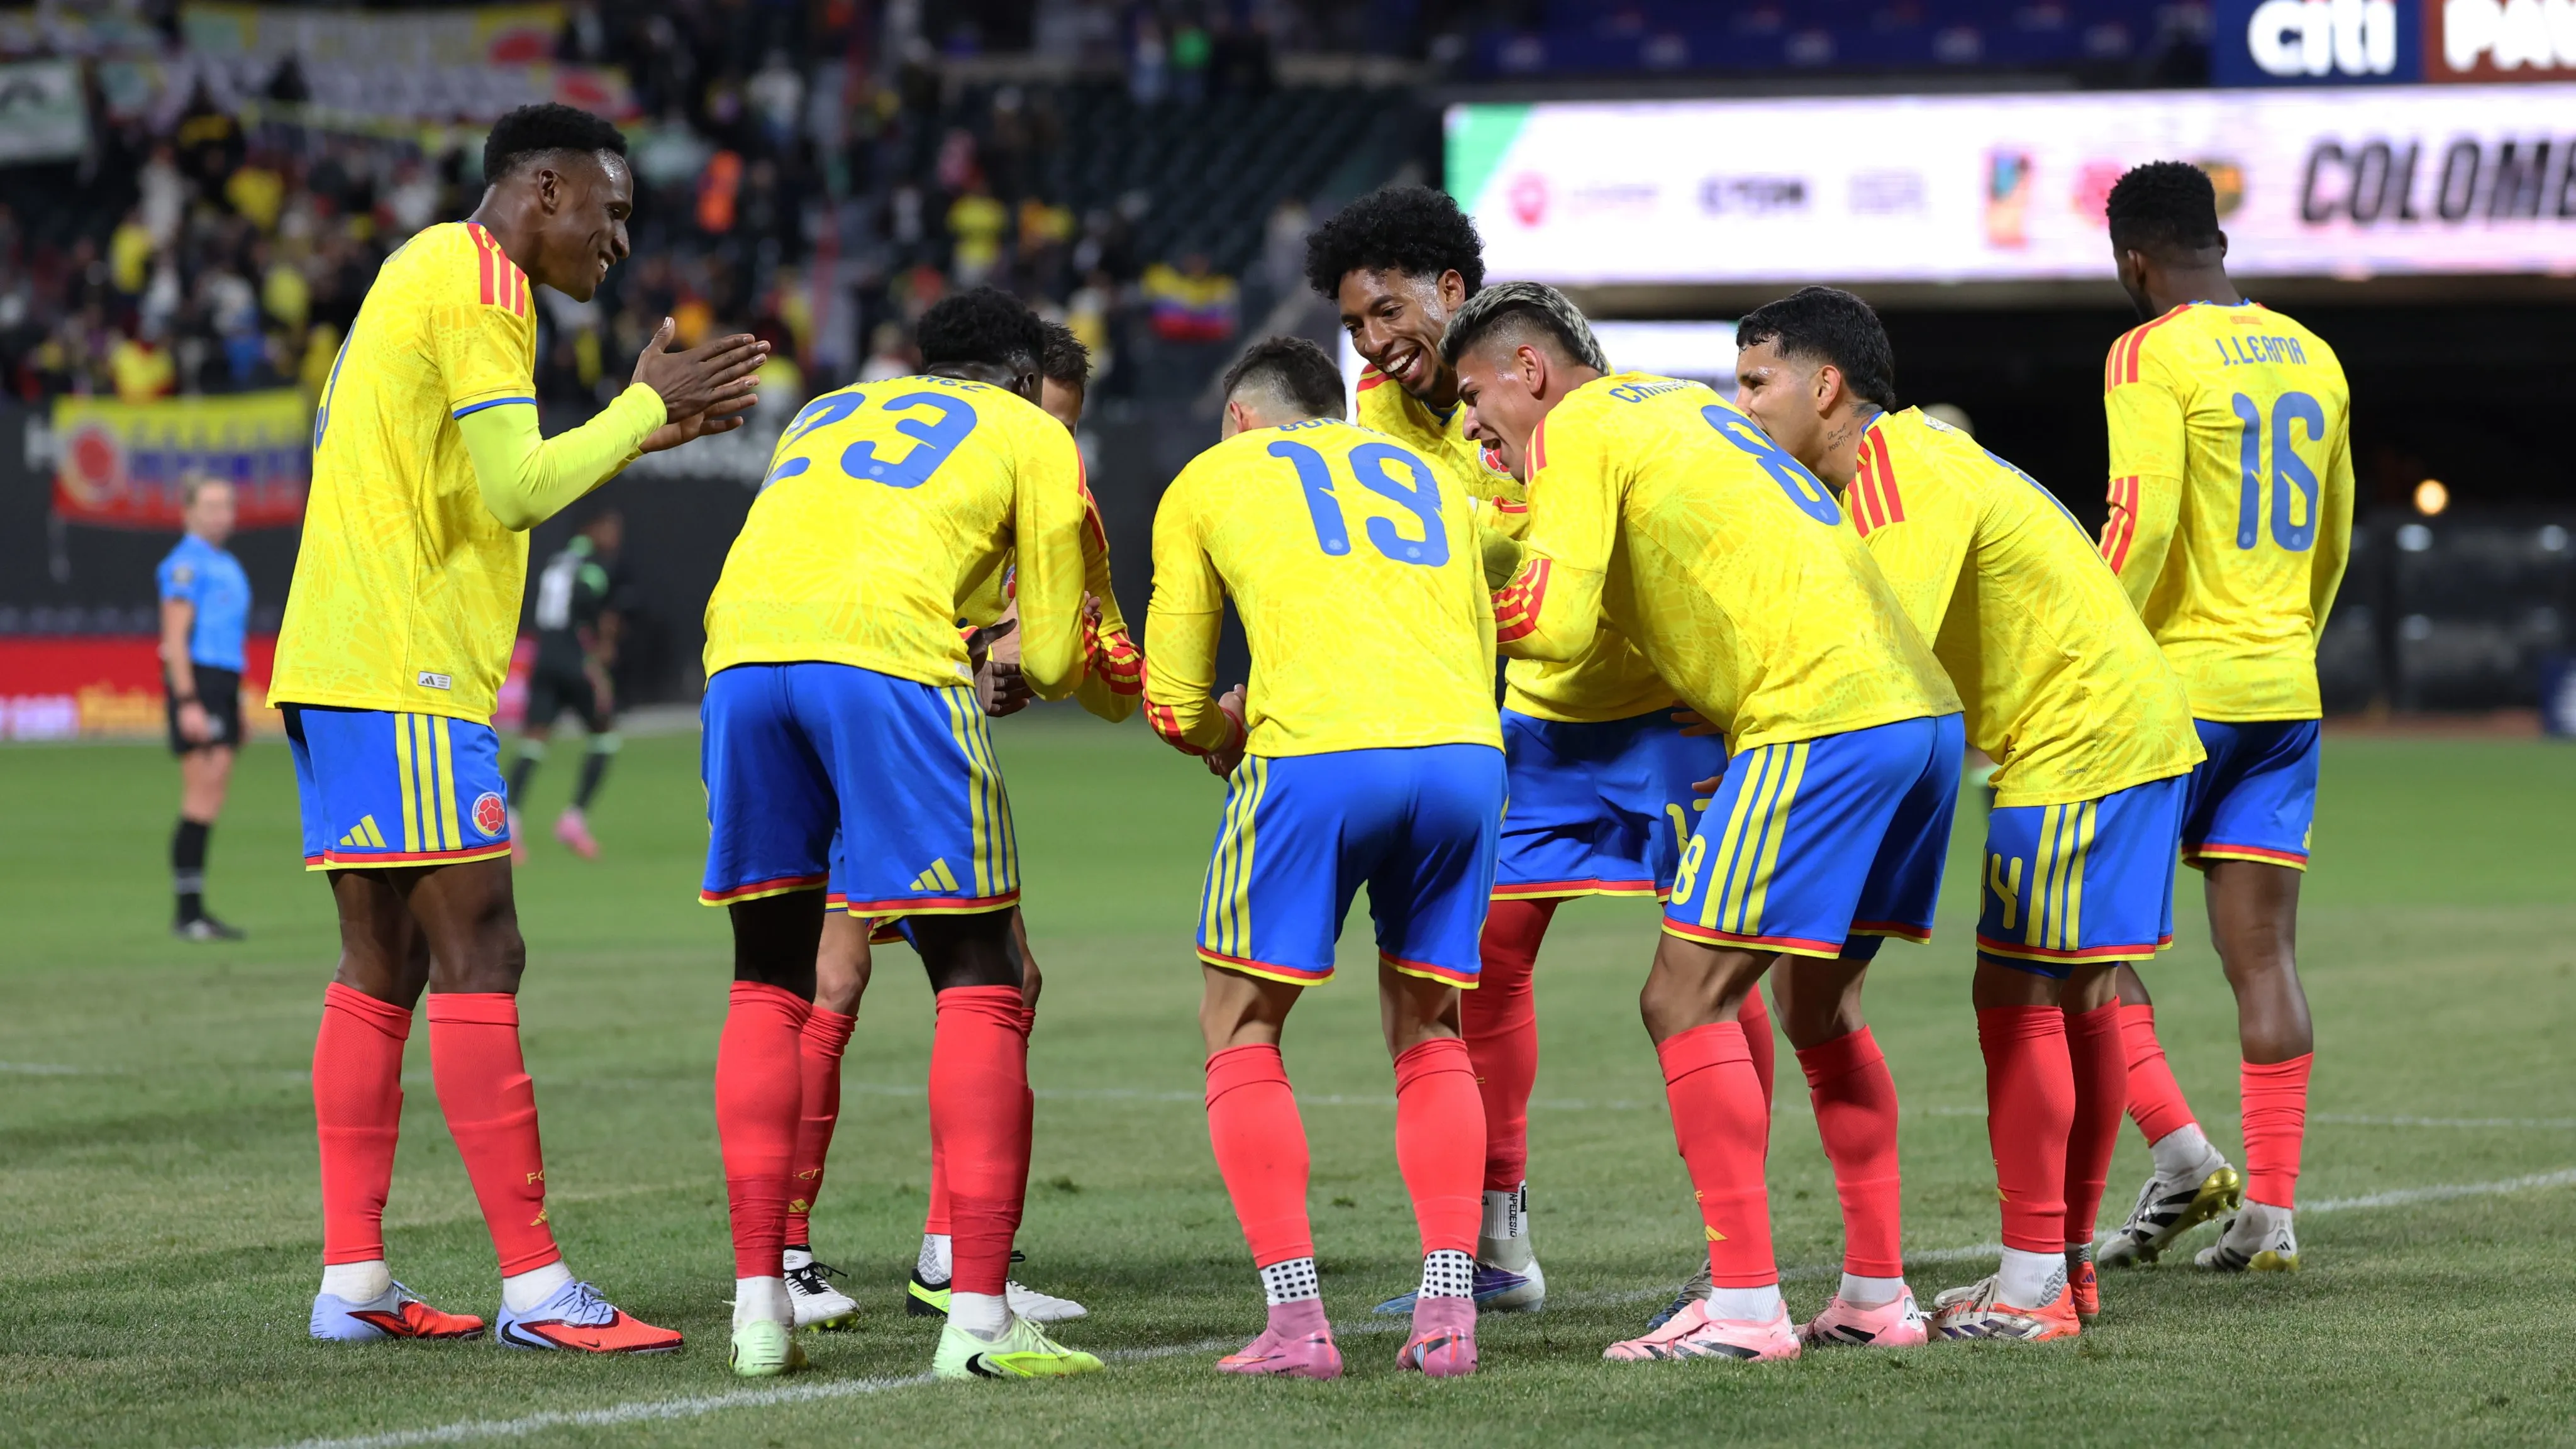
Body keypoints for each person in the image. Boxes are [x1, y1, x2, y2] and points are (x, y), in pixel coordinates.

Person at [270, 102, 767, 1352]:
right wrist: (643, 409)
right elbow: (515, 487)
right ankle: (539, 1290)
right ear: (543, 190)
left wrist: (642, 427)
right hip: (406, 672)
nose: (617, 240)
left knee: (381, 963)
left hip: (338, 661)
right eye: (610, 210)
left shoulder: (427, 268)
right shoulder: (485, 282)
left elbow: (494, 484)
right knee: (481, 947)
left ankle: (355, 1281)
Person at [1446, 283, 1964, 1365]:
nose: (1472, 421)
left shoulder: (1580, 425)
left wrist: (1417, 604)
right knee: (1819, 1007)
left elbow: (1553, 616)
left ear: (1528, 370)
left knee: (1681, 992)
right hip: (1919, 713)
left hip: (1816, 714)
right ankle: (1874, 1292)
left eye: (1474, 394)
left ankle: (1742, 1303)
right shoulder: (1685, 410)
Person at [1304, 183, 1773, 1318]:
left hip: (1668, 711)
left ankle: (1739, 1248)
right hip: (1544, 717)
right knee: (1480, 956)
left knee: (1716, 966)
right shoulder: (1381, 406)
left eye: (1386, 312)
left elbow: (1527, 545)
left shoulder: (1544, 376)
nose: (1375, 341)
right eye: (1358, 323)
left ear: (1448, 292)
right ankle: (1499, 1236)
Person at [1733, 286, 2204, 1341]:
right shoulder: (1913, 466)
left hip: (2078, 739)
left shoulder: (1897, 469)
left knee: (2019, 990)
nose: (1741, 404)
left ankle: (2036, 1283)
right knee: (2073, 999)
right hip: (2111, 730)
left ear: (1825, 385)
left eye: (1757, 380)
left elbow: (1874, 653)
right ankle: (2057, 1274)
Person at [697, 286, 1102, 1382]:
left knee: (767, 978)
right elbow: (1059, 657)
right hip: (884, 659)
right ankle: (974, 1313)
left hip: (740, 662)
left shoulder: (826, 410)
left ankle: (759, 1305)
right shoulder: (1032, 433)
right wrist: (1013, 651)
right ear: (1024, 381)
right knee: (984, 971)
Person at [1145, 335, 1504, 1380]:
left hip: (1317, 757)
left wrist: (1224, 733)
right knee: (1431, 1022)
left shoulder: (1215, 474)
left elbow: (1172, 702)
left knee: (1241, 1020)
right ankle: (1448, 1307)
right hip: (1464, 755)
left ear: (1244, 418)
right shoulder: (1431, 476)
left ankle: (1297, 1320)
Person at [780, 319, 1129, 1335]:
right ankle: (827, 1253)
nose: (1055, 448)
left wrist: (991, 652)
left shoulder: (853, 432)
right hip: (878, 718)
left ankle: (896, 1254)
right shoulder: (998, 455)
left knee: (965, 975)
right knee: (872, 978)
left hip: (837, 699)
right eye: (1049, 419)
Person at [2092, 161, 2353, 1275]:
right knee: (2265, 958)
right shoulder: (2315, 353)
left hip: (2174, 695)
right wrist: (2288, 640)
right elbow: (2335, 533)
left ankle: (2181, 1152)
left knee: (2078, 945)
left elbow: (2138, 526)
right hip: (2284, 690)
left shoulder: (2149, 351)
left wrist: (2082, 656)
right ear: (2220, 242)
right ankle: (2271, 1218)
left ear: (2132, 261)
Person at [158, 474, 252, 941]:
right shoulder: (185, 566)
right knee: (199, 795)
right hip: (199, 682)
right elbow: (174, 640)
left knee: (214, 794)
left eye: (227, 505)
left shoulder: (227, 564)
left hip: (224, 684)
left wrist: (237, 704)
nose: (221, 515)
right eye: (211, 506)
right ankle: (188, 912)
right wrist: (188, 700)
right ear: (188, 512)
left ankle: (195, 911)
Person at [505, 509, 628, 860]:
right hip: (575, 662)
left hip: (544, 658)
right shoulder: (596, 564)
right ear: (593, 528)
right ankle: (574, 820)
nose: (615, 536)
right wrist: (598, 659)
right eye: (610, 527)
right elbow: (593, 609)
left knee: (533, 742)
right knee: (605, 734)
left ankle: (510, 827)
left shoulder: (558, 559)